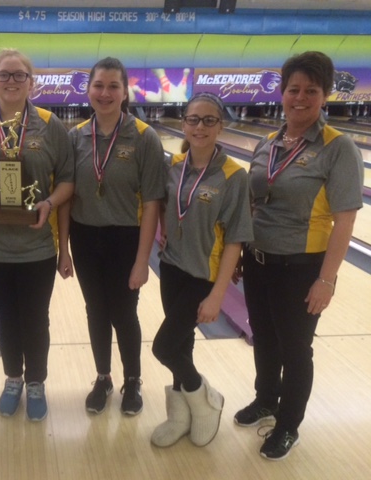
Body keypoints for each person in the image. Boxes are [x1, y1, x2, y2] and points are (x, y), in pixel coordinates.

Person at [234, 51, 364, 460]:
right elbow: (254, 204)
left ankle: (288, 425)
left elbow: (344, 221)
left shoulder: (338, 149)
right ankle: (266, 399)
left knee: (295, 349)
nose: (301, 97)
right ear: (282, 92)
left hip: (302, 267)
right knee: (264, 340)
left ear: (325, 95)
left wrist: (326, 280)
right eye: (294, 89)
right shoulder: (267, 142)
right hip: (259, 262)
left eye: (312, 90)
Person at [0, 48, 74, 422]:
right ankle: (13, 379)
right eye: (3, 75)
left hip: (37, 244)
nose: (11, 81)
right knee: (6, 317)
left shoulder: (51, 125)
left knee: (36, 318)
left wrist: (49, 204)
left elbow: (68, 179)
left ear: (31, 82)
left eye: (19, 75)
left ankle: (36, 382)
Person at [57, 57, 166, 416]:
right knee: (96, 312)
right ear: (88, 91)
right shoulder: (75, 137)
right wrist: (64, 249)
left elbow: (151, 203)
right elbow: (67, 196)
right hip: (86, 239)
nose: (105, 93)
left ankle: (132, 379)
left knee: (124, 313)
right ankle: (103, 377)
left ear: (124, 92)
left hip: (125, 239)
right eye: (98, 85)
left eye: (113, 86)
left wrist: (141, 261)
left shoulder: (144, 137)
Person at [150, 93, 253, 448]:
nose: (200, 126)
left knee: (163, 347)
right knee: (182, 343)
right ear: (184, 124)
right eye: (194, 119)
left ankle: (205, 400)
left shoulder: (233, 176)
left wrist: (217, 295)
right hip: (172, 268)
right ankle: (180, 415)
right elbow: (165, 206)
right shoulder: (175, 165)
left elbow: (236, 240)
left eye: (209, 120)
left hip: (203, 275)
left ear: (221, 126)